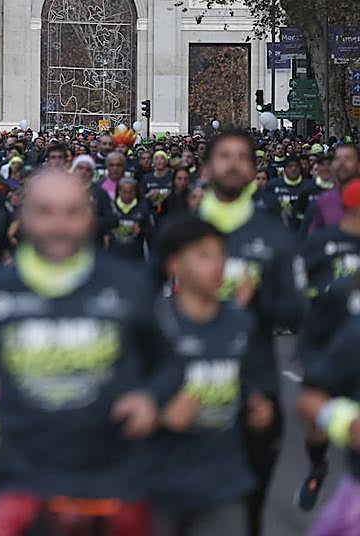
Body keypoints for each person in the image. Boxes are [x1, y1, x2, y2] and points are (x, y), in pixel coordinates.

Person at [0, 170, 179, 535]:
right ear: (23, 217)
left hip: (112, 481)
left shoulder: (129, 285)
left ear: (88, 216)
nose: (58, 224)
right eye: (45, 211)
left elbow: (170, 364)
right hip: (17, 479)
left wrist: (151, 398)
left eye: (71, 211)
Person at [194, 128, 303, 536]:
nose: (233, 163)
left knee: (248, 511)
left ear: (254, 171)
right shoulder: (185, 229)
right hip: (189, 391)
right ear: (207, 167)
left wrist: (257, 300)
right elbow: (148, 306)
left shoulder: (273, 235)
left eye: (243, 157)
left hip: (254, 388)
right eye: (224, 156)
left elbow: (295, 308)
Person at [149, 218, 277, 535]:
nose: (218, 264)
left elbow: (245, 382)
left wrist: (257, 406)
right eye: (203, 255)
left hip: (224, 487)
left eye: (221, 254)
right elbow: (115, 399)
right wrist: (159, 414)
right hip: (159, 488)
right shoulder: (151, 325)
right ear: (174, 265)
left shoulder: (241, 323)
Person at [294, 177, 360, 511]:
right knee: (318, 422)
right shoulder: (323, 243)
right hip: (324, 341)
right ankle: (316, 466)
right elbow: (298, 284)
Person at [306, 143, 360, 235]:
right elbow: (311, 238)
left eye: (348, 158)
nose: (341, 163)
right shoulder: (324, 200)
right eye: (338, 159)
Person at [107, 175, 152, 262]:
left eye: (130, 192)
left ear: (135, 192)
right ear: (119, 191)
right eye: (124, 192)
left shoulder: (143, 208)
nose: (127, 195)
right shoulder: (110, 207)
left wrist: (141, 231)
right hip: (113, 257)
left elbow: (151, 233)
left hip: (135, 258)